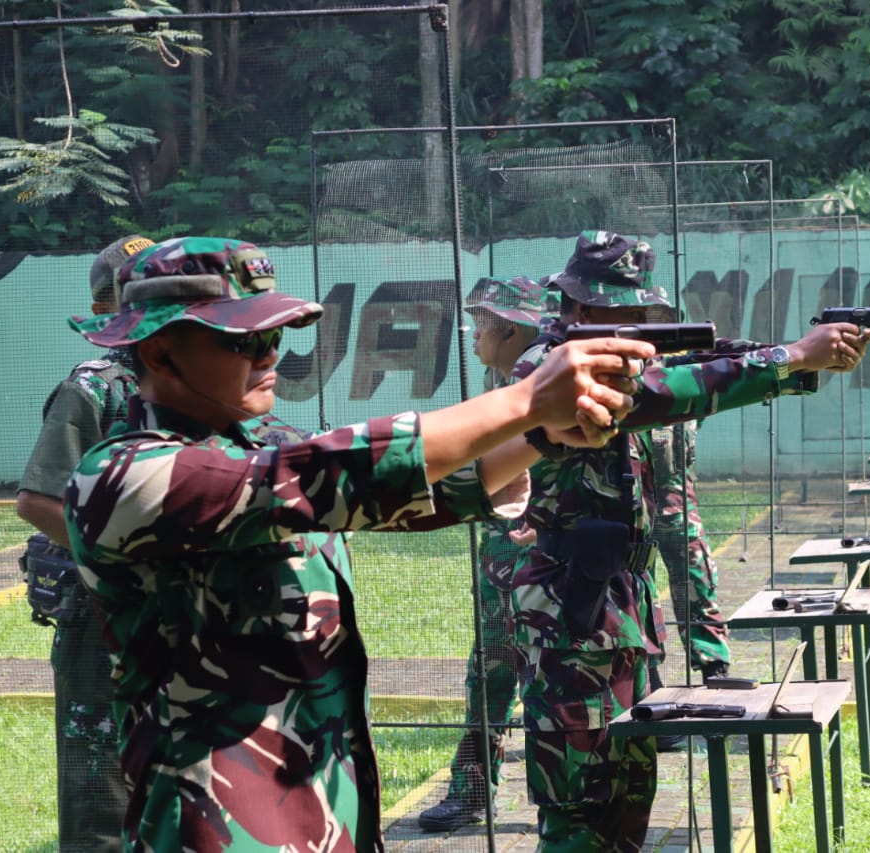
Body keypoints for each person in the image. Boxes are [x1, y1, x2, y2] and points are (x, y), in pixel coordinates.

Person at [61, 235, 654, 852]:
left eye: (275, 336)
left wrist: (542, 435)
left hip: (325, 809)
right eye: (244, 341)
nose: (270, 356)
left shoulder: (259, 446)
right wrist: (525, 400)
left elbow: (413, 489)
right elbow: (322, 475)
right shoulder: (123, 476)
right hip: (218, 830)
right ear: (160, 355)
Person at [508, 229, 870, 851]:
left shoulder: (623, 366)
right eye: (609, 314)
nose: (627, 328)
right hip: (566, 622)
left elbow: (691, 379)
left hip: (625, 613)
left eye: (635, 315)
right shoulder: (546, 371)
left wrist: (807, 363)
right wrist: (791, 357)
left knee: (631, 797)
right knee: (576, 811)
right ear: (574, 309)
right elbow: (665, 394)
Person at [16, 234, 155, 852]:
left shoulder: (182, 375)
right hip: (100, 612)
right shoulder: (95, 387)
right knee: (99, 786)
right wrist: (120, 565)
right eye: (134, 289)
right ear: (109, 303)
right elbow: (41, 501)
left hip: (175, 614)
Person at [419, 276, 549, 832]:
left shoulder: (538, 378)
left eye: (484, 323)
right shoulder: (506, 381)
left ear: (511, 329)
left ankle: (560, 801)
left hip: (539, 561)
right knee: (494, 671)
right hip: (505, 558)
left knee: (543, 677)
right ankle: (473, 791)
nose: (474, 334)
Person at [649, 419, 731, 682]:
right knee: (632, 583)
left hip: (674, 492)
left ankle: (713, 666)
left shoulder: (683, 379)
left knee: (696, 578)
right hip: (624, 493)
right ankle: (644, 668)